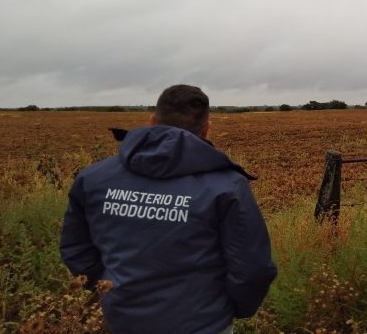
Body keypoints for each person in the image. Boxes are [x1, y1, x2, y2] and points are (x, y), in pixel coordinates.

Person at [60, 84, 277, 334]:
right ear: (206, 128)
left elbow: (76, 249)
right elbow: (252, 268)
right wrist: (233, 309)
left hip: (122, 320)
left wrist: (110, 290)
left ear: (152, 121)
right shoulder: (227, 185)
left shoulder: (93, 178)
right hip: (204, 323)